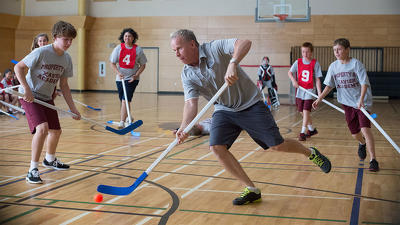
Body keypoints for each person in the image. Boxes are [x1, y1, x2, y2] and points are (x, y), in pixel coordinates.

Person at [170, 29, 332, 205]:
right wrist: (184, 127)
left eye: (179, 49)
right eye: (174, 51)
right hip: (224, 110)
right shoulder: (187, 74)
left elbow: (244, 42)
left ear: (192, 44)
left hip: (250, 104)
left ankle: (310, 153)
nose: (177, 54)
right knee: (216, 147)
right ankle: (251, 189)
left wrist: (233, 63)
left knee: (277, 146)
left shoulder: (214, 48)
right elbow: (190, 104)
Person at [13, 21, 81, 184]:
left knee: (56, 131)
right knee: (42, 129)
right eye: (66, 39)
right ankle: (32, 170)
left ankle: (50, 160)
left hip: (46, 97)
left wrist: (73, 109)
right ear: (56, 37)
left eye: (71, 40)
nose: (69, 43)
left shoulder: (66, 58)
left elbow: (64, 85)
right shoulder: (41, 52)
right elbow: (18, 68)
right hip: (30, 96)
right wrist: (26, 89)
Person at [312, 38, 379, 172]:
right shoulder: (333, 66)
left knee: (365, 129)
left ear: (347, 49)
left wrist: (361, 100)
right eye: (334, 50)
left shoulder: (356, 64)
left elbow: (364, 83)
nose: (336, 52)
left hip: (362, 102)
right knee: (355, 133)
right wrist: (319, 99)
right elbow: (329, 86)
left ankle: (373, 160)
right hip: (347, 104)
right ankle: (362, 143)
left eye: (339, 49)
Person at [109, 28, 147, 128]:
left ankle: (122, 122)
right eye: (125, 36)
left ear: (133, 38)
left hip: (132, 79)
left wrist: (136, 75)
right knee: (124, 100)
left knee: (125, 100)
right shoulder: (118, 48)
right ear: (123, 37)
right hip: (120, 79)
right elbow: (112, 63)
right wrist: (118, 73)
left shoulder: (138, 50)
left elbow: (143, 65)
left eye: (129, 36)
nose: (127, 38)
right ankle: (129, 117)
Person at [288, 42, 322, 141]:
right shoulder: (298, 62)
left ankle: (302, 132)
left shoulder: (315, 63)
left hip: (310, 90)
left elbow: (318, 79)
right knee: (301, 111)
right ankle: (311, 129)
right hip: (300, 90)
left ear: (311, 52)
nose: (305, 54)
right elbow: (290, 72)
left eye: (307, 52)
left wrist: (319, 94)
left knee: (306, 111)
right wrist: (294, 81)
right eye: (303, 52)